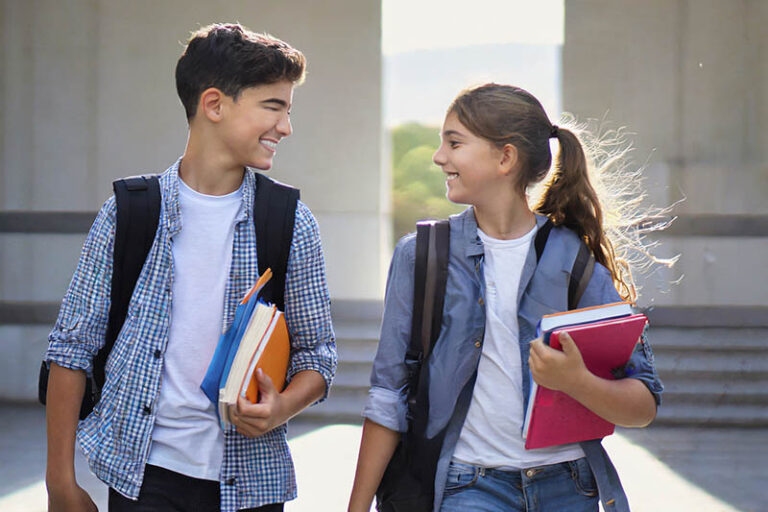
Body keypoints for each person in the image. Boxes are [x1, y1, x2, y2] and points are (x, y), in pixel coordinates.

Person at [44, 23, 336, 512]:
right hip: (143, 478)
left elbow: (318, 354)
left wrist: (281, 407)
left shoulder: (290, 222)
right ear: (215, 105)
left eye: (288, 109)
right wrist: (60, 483)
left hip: (250, 487)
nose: (286, 126)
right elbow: (70, 350)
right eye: (273, 106)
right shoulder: (129, 212)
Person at [348, 84, 664, 512]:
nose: (439, 157)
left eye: (454, 143)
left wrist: (576, 381)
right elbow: (388, 395)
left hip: (571, 487)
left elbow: (642, 405)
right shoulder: (419, 255)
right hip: (467, 487)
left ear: (505, 158)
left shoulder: (574, 256)